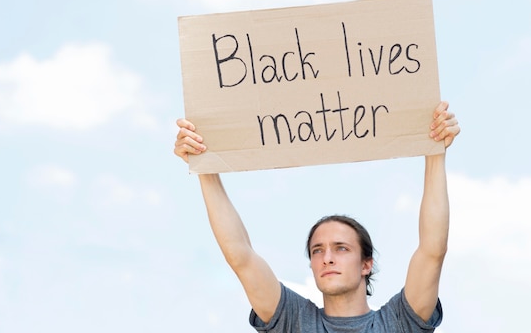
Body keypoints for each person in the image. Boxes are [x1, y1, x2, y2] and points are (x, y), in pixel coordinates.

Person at [173, 101, 460, 332]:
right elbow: (240, 255)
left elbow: (433, 250)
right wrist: (204, 164)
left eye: (341, 248)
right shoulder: (294, 321)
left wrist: (435, 150)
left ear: (366, 264)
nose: (327, 257)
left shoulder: (398, 323)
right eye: (317, 250)